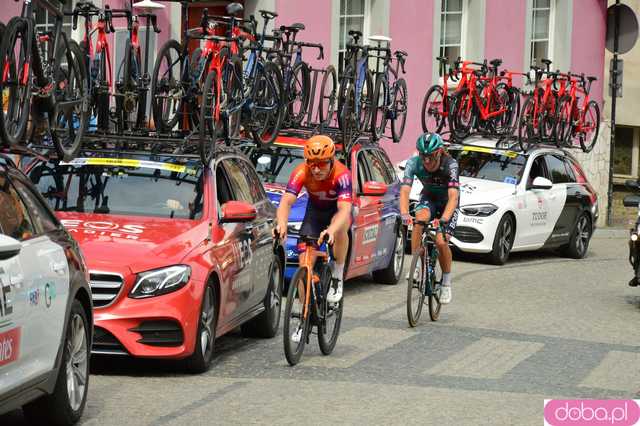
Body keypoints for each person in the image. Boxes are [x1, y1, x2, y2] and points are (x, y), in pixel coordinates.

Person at [273, 135, 353, 310]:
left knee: (340, 228)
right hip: (315, 213)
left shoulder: (342, 175)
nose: (316, 169)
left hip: (337, 213)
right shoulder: (302, 171)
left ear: (332, 160)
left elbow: (344, 210)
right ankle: (304, 315)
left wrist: (331, 230)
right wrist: (281, 224)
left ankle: (338, 274)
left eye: (322, 163)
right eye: (312, 163)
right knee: (304, 267)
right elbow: (286, 201)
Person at [400, 133, 459, 304]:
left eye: (430, 156)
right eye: (423, 156)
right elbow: (404, 191)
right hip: (429, 198)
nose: (426, 161)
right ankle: (417, 264)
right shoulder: (413, 163)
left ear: (439, 152)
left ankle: (446, 283)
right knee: (419, 219)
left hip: (448, 203)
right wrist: (404, 213)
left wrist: (444, 219)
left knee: (441, 242)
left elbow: (454, 197)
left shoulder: (451, 165)